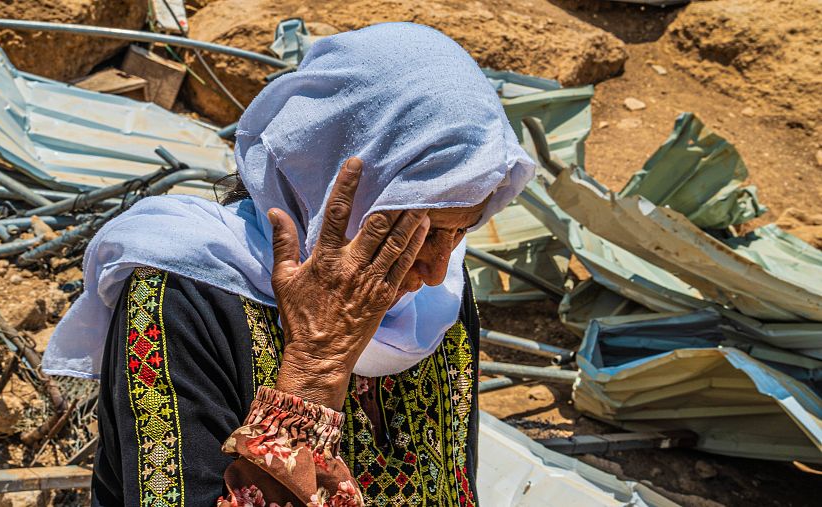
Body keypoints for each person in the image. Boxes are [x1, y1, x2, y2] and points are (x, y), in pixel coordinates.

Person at [44, 22, 535, 506]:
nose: (434, 268)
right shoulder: (182, 299)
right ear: (333, 182)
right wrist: (315, 368)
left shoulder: (440, 297)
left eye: (462, 229)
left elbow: (457, 483)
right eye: (416, 232)